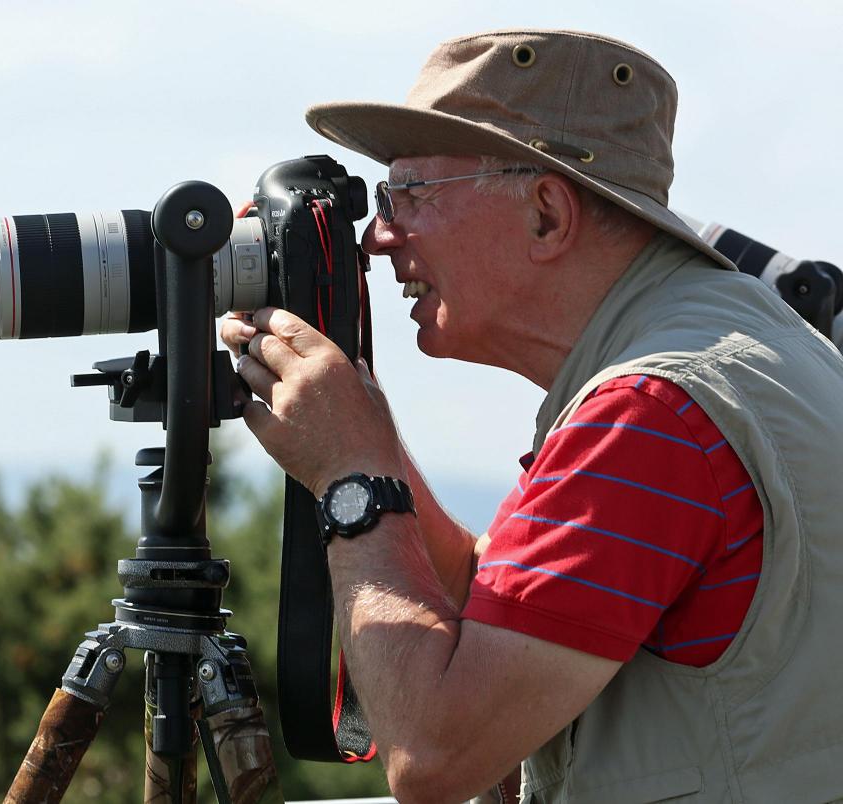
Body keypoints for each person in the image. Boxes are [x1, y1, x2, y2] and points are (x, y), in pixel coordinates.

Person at [219, 29, 843, 804]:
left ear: (547, 213)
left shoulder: (651, 413)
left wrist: (353, 477)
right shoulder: (720, 348)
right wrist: (352, 409)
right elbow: (514, 614)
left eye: (408, 195)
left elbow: (437, 758)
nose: (378, 238)